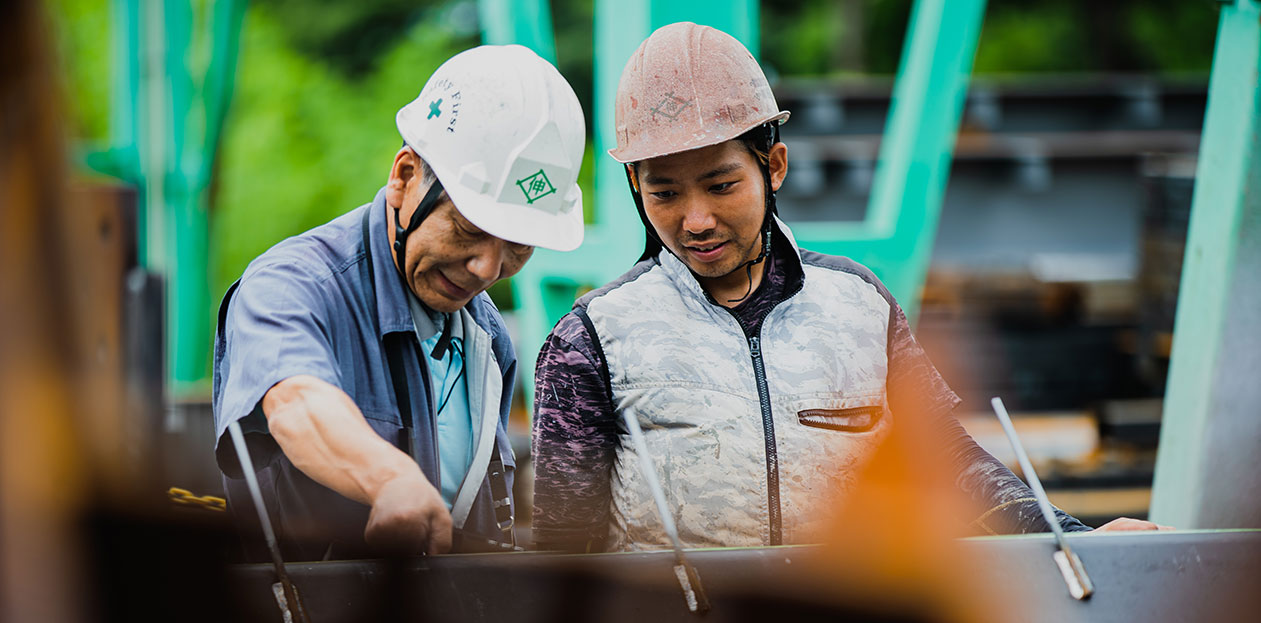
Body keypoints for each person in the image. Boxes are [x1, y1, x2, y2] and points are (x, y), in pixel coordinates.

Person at [530, 22, 1161, 553]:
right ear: (636, 188)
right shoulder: (592, 339)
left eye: (721, 186)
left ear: (772, 167)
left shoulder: (858, 304)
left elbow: (944, 457)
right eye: (665, 193)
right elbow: (565, 553)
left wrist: (1076, 540)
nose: (695, 220)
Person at [214, 44, 585, 559]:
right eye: (469, 228)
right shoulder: (291, 286)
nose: (487, 269)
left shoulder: (486, 335)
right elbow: (295, 401)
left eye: (518, 247)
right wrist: (389, 481)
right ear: (406, 176)